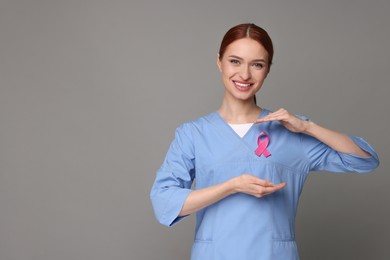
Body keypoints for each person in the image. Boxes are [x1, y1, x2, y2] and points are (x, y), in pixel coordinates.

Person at [150, 23, 379, 260]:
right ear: (219, 61)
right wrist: (232, 186)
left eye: (257, 64)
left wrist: (307, 127)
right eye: (235, 61)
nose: (245, 74)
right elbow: (164, 203)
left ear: (267, 69)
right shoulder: (193, 134)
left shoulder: (289, 130)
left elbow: (365, 159)